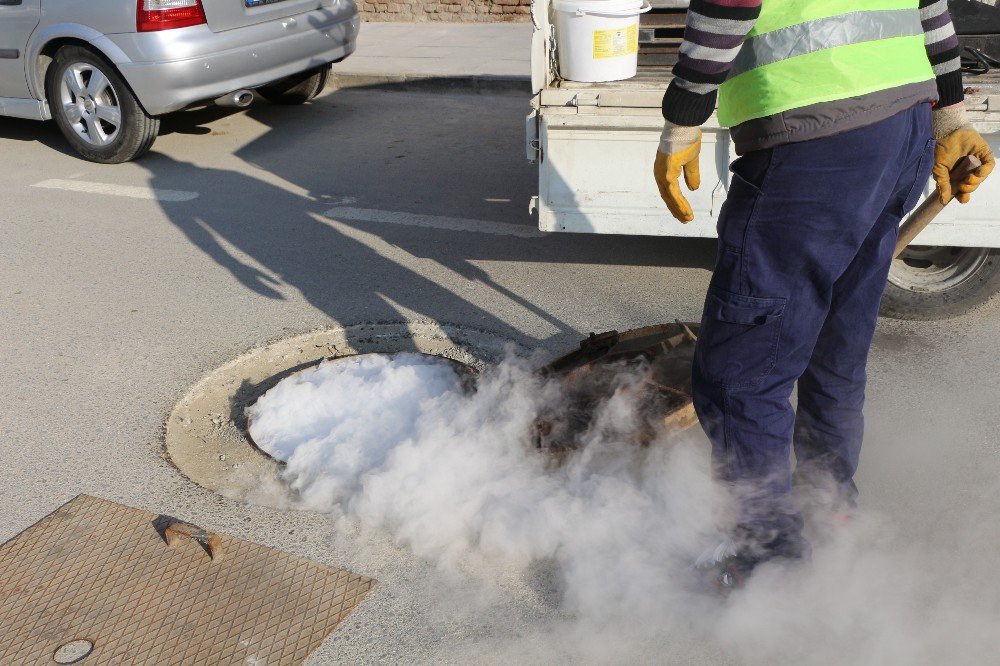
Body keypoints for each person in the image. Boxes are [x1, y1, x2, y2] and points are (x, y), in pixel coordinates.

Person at [653, 0, 995, 590]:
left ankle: (767, 563)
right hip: (903, 127)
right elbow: (930, 3)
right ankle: (831, 512)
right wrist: (950, 115)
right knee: (834, 346)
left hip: (813, 141)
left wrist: (683, 117)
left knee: (740, 374)